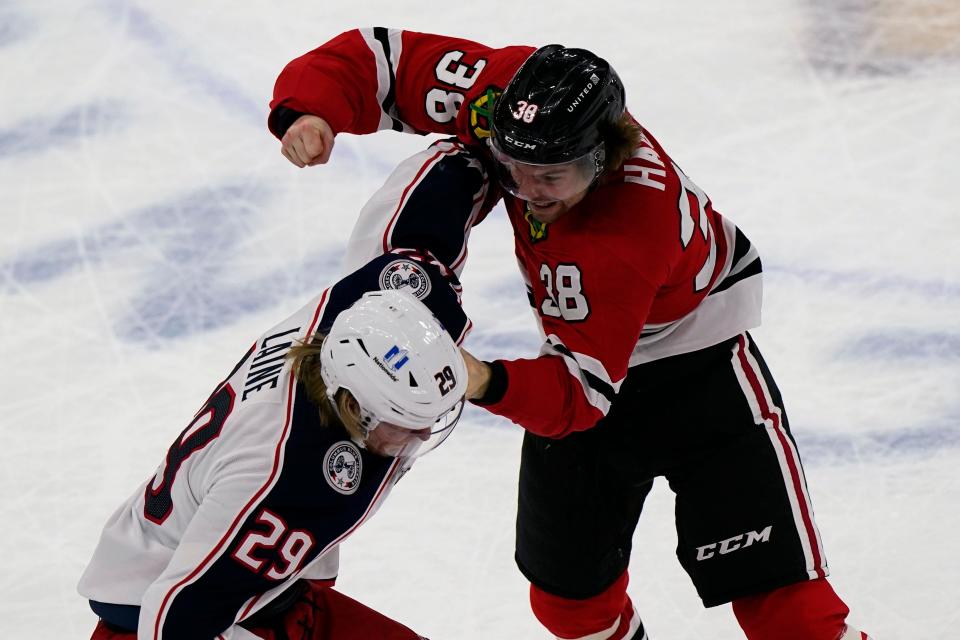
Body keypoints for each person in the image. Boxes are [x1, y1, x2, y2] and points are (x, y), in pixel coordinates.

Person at [266, 29, 874, 640]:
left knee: (790, 611)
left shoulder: (628, 235)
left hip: (702, 375)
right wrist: (310, 109)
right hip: (580, 361)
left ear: (603, 158)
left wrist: (481, 378)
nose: (527, 193)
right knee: (569, 606)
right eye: (513, 167)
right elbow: (385, 61)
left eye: (550, 177)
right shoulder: (502, 98)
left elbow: (579, 399)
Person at [77, 252, 472, 640]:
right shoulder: (282, 477)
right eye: (406, 422)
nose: (422, 436)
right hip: (158, 613)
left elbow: (411, 270)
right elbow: (175, 616)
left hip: (252, 588)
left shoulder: (349, 324)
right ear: (355, 407)